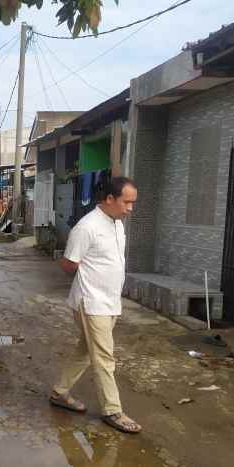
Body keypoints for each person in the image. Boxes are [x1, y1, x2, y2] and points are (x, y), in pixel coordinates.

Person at [50, 176, 142, 434]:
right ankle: (113, 410)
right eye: (127, 202)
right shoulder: (87, 227)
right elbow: (69, 263)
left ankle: (59, 392)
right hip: (92, 303)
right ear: (110, 199)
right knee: (104, 357)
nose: (130, 208)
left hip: (110, 301)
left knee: (85, 351)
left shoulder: (116, 224)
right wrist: (87, 279)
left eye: (133, 203)